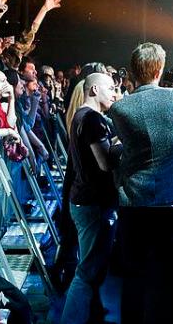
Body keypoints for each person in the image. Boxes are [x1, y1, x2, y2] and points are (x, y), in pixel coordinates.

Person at [108, 42, 173, 324]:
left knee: (134, 277)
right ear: (160, 69)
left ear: (133, 71)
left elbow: (124, 146)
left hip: (135, 203)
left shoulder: (119, 108)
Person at [60, 72, 121, 324]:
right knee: (86, 273)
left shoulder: (81, 116)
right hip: (93, 203)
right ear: (94, 90)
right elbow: (105, 162)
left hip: (86, 201)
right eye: (110, 88)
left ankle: (92, 315)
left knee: (91, 269)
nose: (114, 94)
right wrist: (127, 142)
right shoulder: (93, 118)